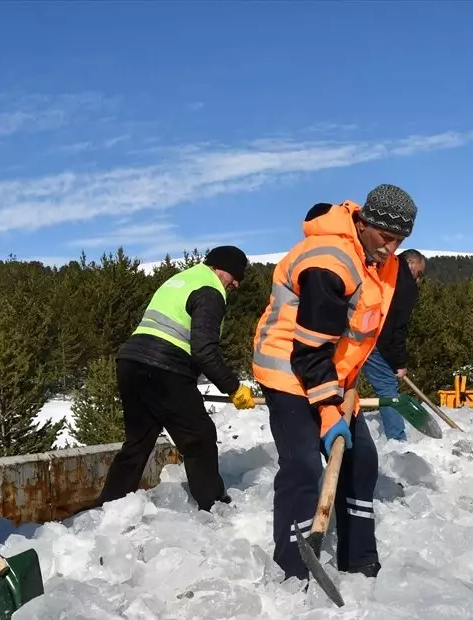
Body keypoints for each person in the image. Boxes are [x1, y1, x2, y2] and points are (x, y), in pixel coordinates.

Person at [252, 184, 417, 581]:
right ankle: (293, 571)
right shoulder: (330, 260)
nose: (390, 248)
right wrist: (327, 410)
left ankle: (360, 561)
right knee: (305, 465)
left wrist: (347, 386)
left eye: (400, 241)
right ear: (364, 223)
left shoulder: (380, 264)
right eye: (384, 237)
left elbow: (358, 335)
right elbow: (309, 349)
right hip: (288, 370)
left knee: (362, 460)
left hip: (333, 376)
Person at [97, 246, 257, 512]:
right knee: (200, 437)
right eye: (235, 276)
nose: (237, 283)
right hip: (164, 369)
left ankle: (108, 507)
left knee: (137, 443)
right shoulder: (210, 290)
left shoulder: (179, 280)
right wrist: (234, 388)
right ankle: (214, 507)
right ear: (220, 269)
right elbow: (204, 350)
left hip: (131, 363)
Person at [361, 249, 426, 441]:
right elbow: (397, 328)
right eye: (419, 273)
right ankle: (398, 440)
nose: (419, 279)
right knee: (388, 387)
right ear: (411, 263)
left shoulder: (382, 272)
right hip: (371, 339)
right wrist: (399, 364)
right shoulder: (406, 285)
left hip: (353, 332)